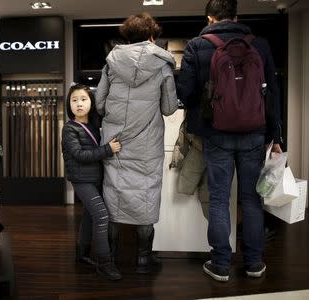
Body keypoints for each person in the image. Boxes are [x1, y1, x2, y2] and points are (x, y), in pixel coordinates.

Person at [176, 0, 283, 282]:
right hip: (254, 134)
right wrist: (277, 137)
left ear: (210, 18)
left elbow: (184, 93)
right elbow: (272, 92)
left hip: (215, 134)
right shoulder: (259, 44)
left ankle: (221, 263)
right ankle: (254, 263)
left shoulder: (197, 46)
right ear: (236, 16)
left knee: (219, 199)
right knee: (251, 200)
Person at [95, 13, 178, 273]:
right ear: (152, 35)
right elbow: (168, 107)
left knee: (114, 196)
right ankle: (143, 260)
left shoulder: (110, 64)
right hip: (147, 145)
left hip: (115, 143)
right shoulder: (162, 66)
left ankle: (111, 260)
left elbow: (99, 103)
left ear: (127, 36)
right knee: (146, 197)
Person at [61, 83, 123, 280]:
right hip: (81, 180)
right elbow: (79, 154)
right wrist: (107, 149)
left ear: (91, 102)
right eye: (74, 100)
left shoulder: (94, 126)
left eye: (83, 99)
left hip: (95, 179)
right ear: (69, 104)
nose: (79, 104)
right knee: (102, 216)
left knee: (89, 216)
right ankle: (104, 263)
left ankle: (81, 254)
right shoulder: (70, 128)